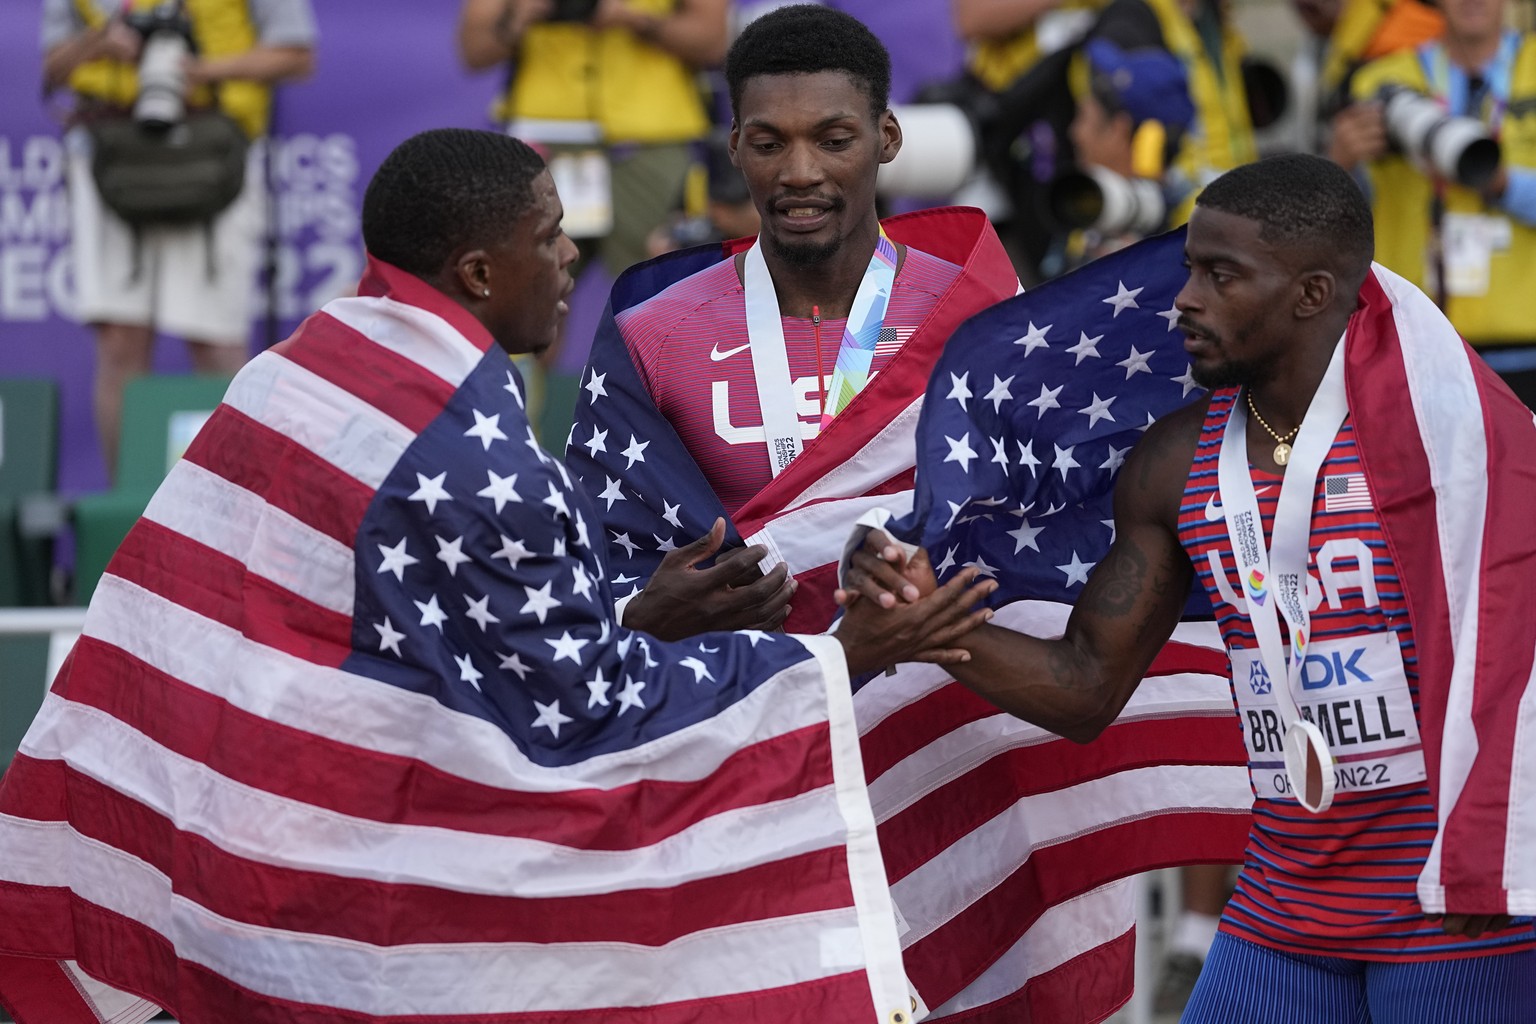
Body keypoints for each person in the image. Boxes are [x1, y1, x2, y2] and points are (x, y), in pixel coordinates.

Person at [0, 127, 994, 1023]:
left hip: (211, 866)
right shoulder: (473, 454)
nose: (570, 258)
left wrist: (637, 610)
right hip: (335, 928)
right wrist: (842, 653)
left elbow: (453, 642)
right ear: (478, 270)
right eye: (551, 235)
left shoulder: (296, 366)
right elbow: (593, 719)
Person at [842, 153, 1536, 1022]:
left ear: (1312, 294)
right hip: (1284, 906)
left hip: (1453, 897)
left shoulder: (1454, 445)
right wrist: (925, 617)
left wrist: (1502, 851)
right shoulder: (1174, 465)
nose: (1186, 301)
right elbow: (1085, 685)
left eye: (1222, 276)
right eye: (1189, 271)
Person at [566, 2, 1020, 642]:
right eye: (768, 143)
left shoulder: (980, 317)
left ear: (886, 138)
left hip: (938, 711)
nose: (800, 173)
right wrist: (640, 614)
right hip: (749, 712)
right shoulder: (655, 335)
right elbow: (602, 568)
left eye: (834, 142)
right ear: (735, 148)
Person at [40, 0, 316, 479]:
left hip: (212, 150)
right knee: (120, 342)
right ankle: (125, 510)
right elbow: (51, 69)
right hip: (111, 151)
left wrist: (200, 68)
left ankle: (235, 503)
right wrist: (99, 43)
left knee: (215, 343)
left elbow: (297, 55)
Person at [1328, 0, 1536, 409]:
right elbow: (1339, 221)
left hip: (1526, 345)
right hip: (1415, 344)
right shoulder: (1382, 80)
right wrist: (1338, 161)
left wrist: (1497, 181)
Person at [455, 0, 725, 283]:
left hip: (649, 142)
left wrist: (635, 20)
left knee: (658, 286)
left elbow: (712, 42)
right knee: (530, 284)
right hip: (545, 141)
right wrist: (521, 17)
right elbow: (474, 51)